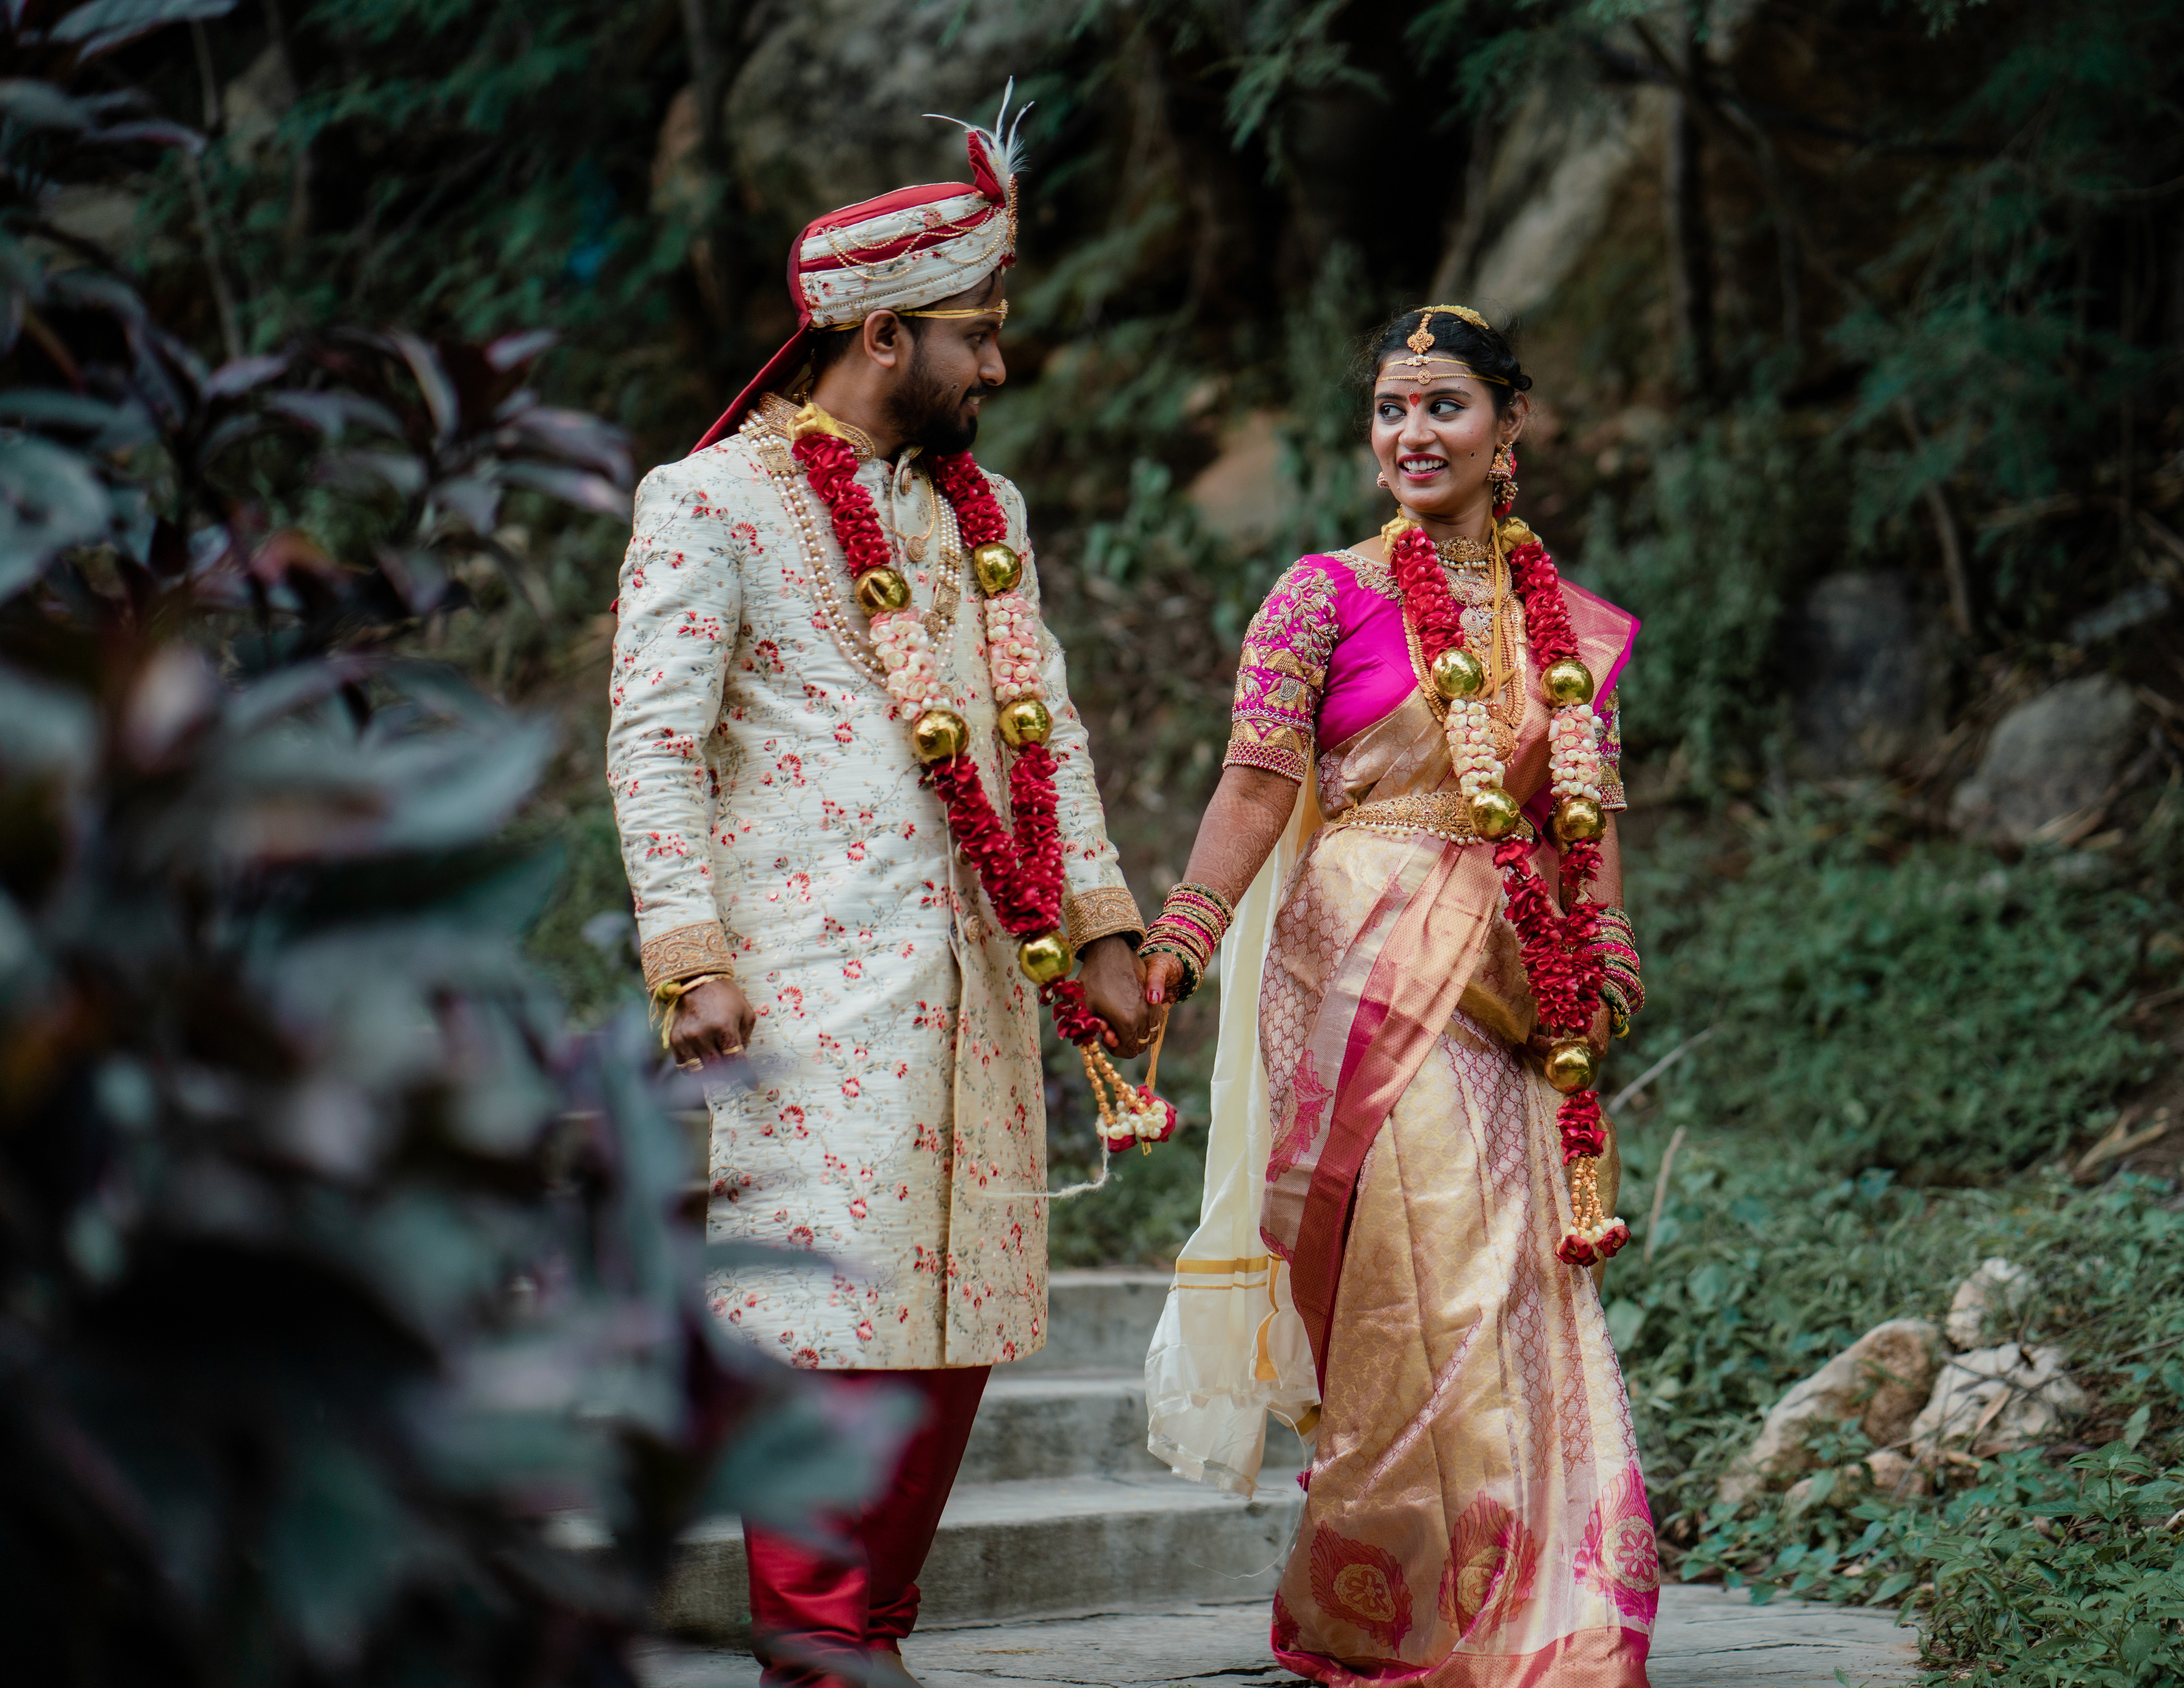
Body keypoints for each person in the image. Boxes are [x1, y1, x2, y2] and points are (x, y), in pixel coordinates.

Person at [604, 98, 1156, 1688]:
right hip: (808, 991)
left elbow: (1047, 728)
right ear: (882, 332)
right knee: (824, 1323)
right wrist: (686, 952)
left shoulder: (988, 517)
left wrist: (1105, 930)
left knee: (963, 1315)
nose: (995, 368)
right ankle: (819, 1645)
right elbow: (654, 744)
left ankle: (871, 1638)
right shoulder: (706, 502)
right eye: (974, 338)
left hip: (980, 983)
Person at [1138, 305, 1656, 1684]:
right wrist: (1179, 940)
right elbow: (1254, 783)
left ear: (1510, 426)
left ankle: (1540, 1609)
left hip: (1512, 974)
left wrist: (1603, 946)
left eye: (1444, 408)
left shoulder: (1566, 630)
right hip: (1362, 954)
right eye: (1390, 410)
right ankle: (1405, 1602)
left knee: (1519, 1271)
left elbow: (1585, 819)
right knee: (1409, 1272)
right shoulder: (1322, 593)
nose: (1412, 436)